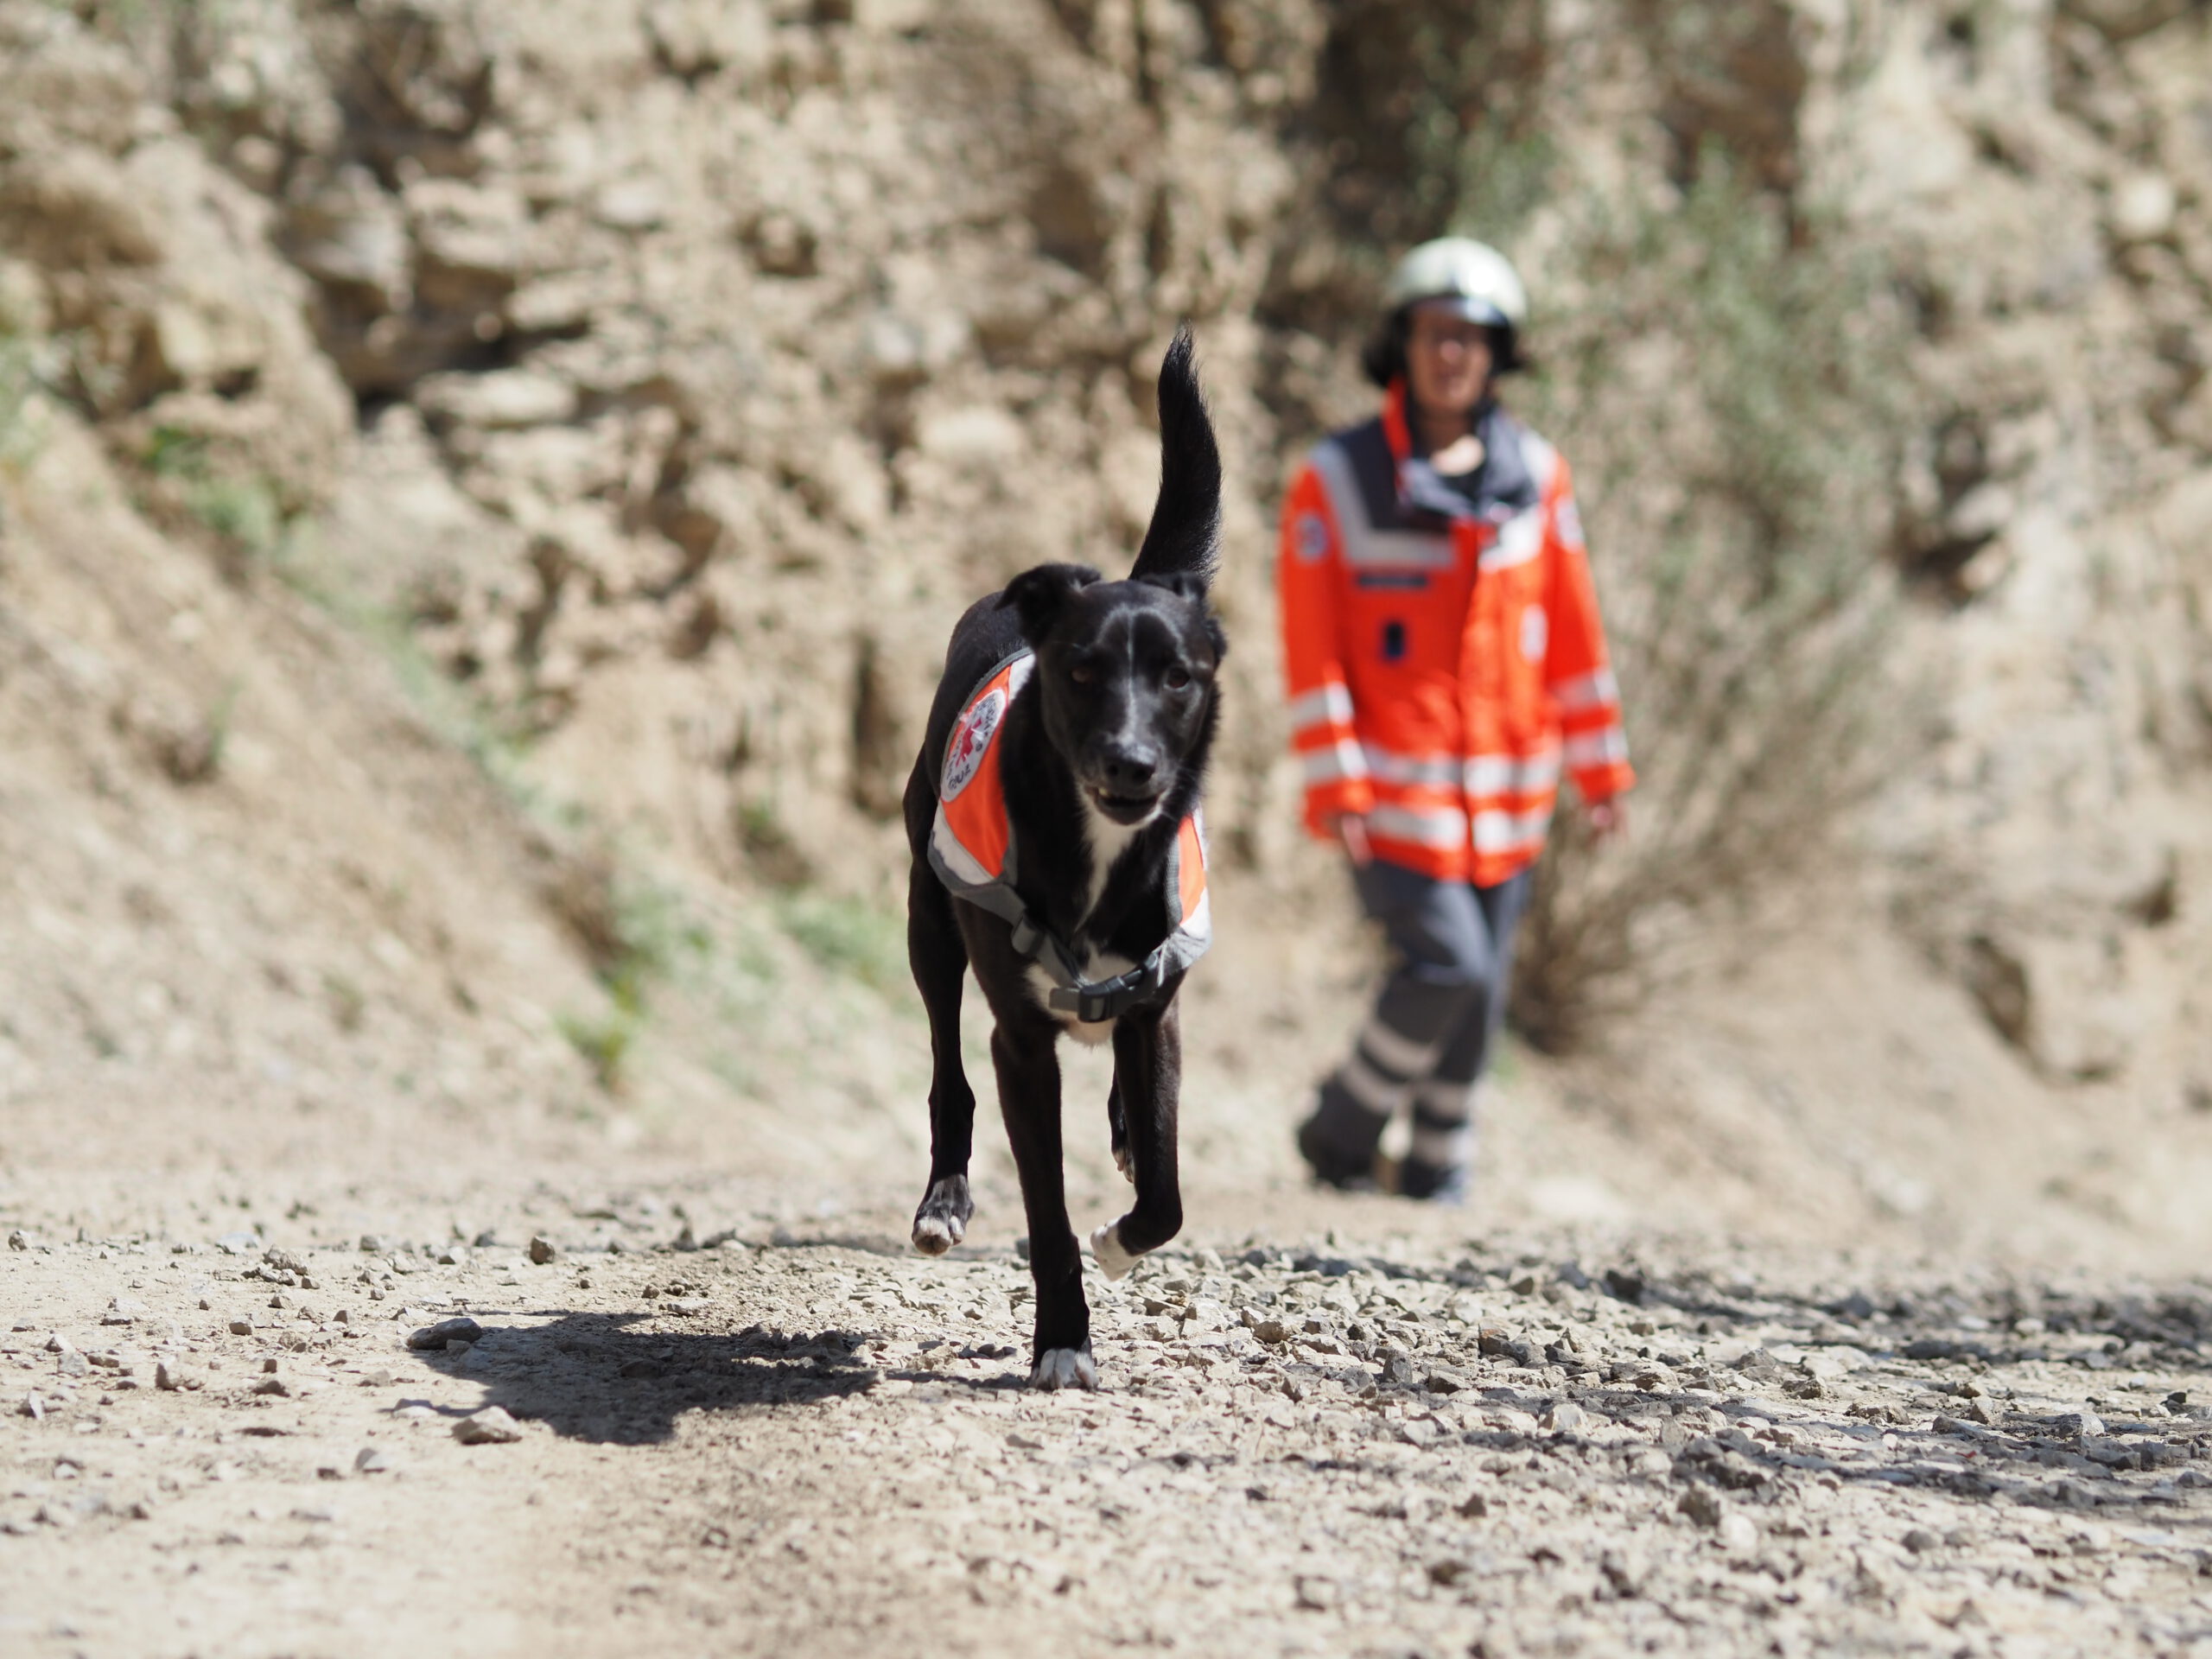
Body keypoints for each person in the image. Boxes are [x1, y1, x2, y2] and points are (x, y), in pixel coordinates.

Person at [1278, 237, 1634, 1203]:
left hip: (1511, 797)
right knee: (1446, 967)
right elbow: (1312, 649)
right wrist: (1336, 782)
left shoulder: (1539, 475)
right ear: (1400, 341)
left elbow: (1573, 633)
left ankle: (1436, 1165)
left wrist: (1601, 772)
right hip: (1396, 798)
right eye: (1434, 332)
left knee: (1483, 990)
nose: (1451, 354)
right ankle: (1342, 1130)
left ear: (1498, 352)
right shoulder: (1336, 479)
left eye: (1471, 337)